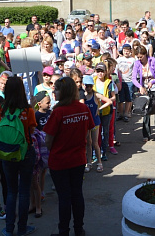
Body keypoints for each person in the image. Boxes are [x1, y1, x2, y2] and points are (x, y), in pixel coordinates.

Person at [45, 76, 93, 236]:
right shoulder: (83, 109)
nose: (54, 92)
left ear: (63, 92)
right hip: (78, 160)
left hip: (60, 162)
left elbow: (48, 140)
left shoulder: (58, 112)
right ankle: (79, 229)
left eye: (56, 89)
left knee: (64, 198)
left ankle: (63, 231)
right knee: (77, 194)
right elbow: (87, 134)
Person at [0, 76, 37, 236]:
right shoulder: (27, 111)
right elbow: (33, 130)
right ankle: (22, 228)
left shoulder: (1, 109)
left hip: (6, 153)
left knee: (11, 191)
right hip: (25, 152)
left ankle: (9, 228)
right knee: (24, 191)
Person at [132, 45, 155, 142]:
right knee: (145, 111)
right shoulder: (137, 63)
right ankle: (146, 133)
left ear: (145, 54)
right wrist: (140, 86)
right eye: (138, 57)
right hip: (144, 88)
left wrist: (152, 82)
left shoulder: (153, 61)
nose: (140, 59)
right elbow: (133, 78)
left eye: (141, 57)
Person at [81, 76, 103, 173]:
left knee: (95, 143)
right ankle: (89, 162)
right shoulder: (83, 96)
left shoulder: (96, 95)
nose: (88, 88)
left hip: (95, 122)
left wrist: (99, 108)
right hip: (86, 122)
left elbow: (110, 101)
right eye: (86, 86)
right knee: (88, 143)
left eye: (90, 86)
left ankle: (99, 162)